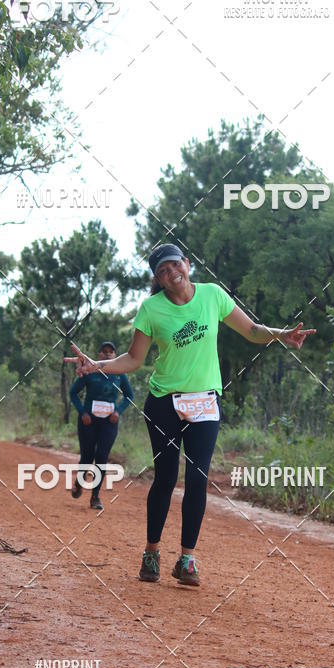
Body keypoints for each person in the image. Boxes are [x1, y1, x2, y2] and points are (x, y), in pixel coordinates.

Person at [67, 243, 315, 587]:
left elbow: (251, 330)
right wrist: (98, 367)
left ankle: (187, 559)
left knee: (198, 479)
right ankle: (151, 552)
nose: (171, 274)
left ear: (187, 263)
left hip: (205, 403)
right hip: (164, 402)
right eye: (163, 271)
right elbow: (134, 359)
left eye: (174, 265)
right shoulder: (151, 309)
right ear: (158, 278)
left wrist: (282, 335)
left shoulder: (212, 295)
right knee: (166, 478)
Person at [68, 341, 134, 511]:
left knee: (102, 457)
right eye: (103, 352)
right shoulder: (90, 372)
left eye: (110, 352)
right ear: (98, 355)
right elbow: (73, 392)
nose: (107, 354)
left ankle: (95, 497)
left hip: (109, 422)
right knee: (87, 456)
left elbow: (129, 396)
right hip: (88, 421)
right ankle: (79, 482)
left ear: (115, 355)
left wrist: (118, 411)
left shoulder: (120, 375)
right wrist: (82, 412)